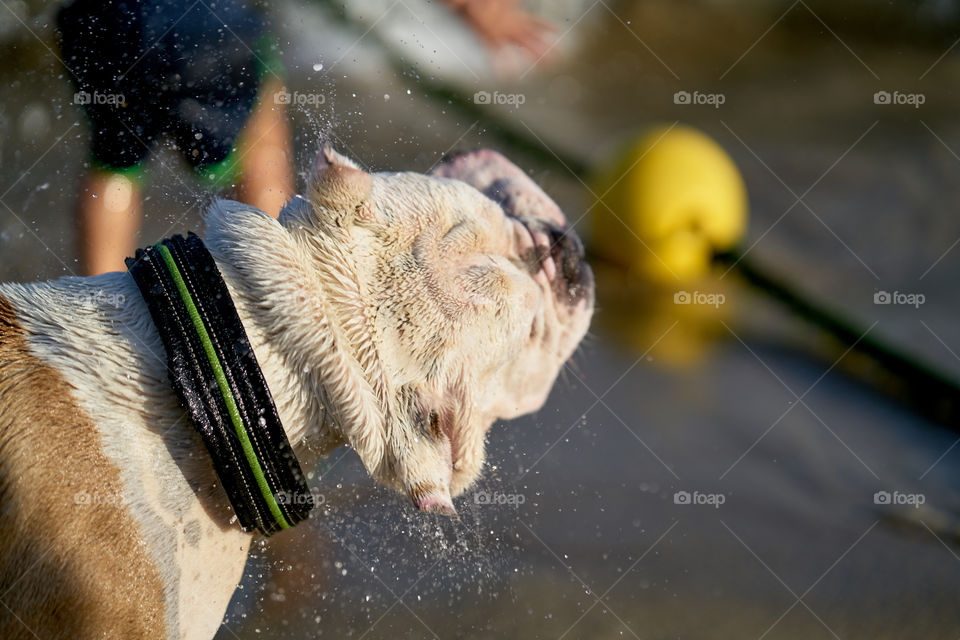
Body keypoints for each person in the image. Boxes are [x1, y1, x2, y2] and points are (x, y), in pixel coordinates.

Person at [58, 0, 553, 275]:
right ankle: (273, 285)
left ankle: (100, 300)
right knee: (263, 132)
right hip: (210, 22)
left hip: (106, 20)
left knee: (116, 162)